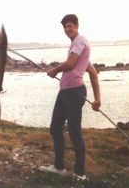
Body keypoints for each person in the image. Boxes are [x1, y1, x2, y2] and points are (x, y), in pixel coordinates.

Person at [39, 14, 101, 180]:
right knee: (55, 128)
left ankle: (80, 173)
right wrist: (97, 99)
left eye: (70, 26)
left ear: (77, 25)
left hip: (75, 93)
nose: (67, 30)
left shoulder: (80, 41)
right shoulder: (77, 47)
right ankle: (59, 167)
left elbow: (71, 64)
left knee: (74, 131)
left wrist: (54, 70)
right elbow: (94, 74)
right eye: (65, 27)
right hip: (65, 92)